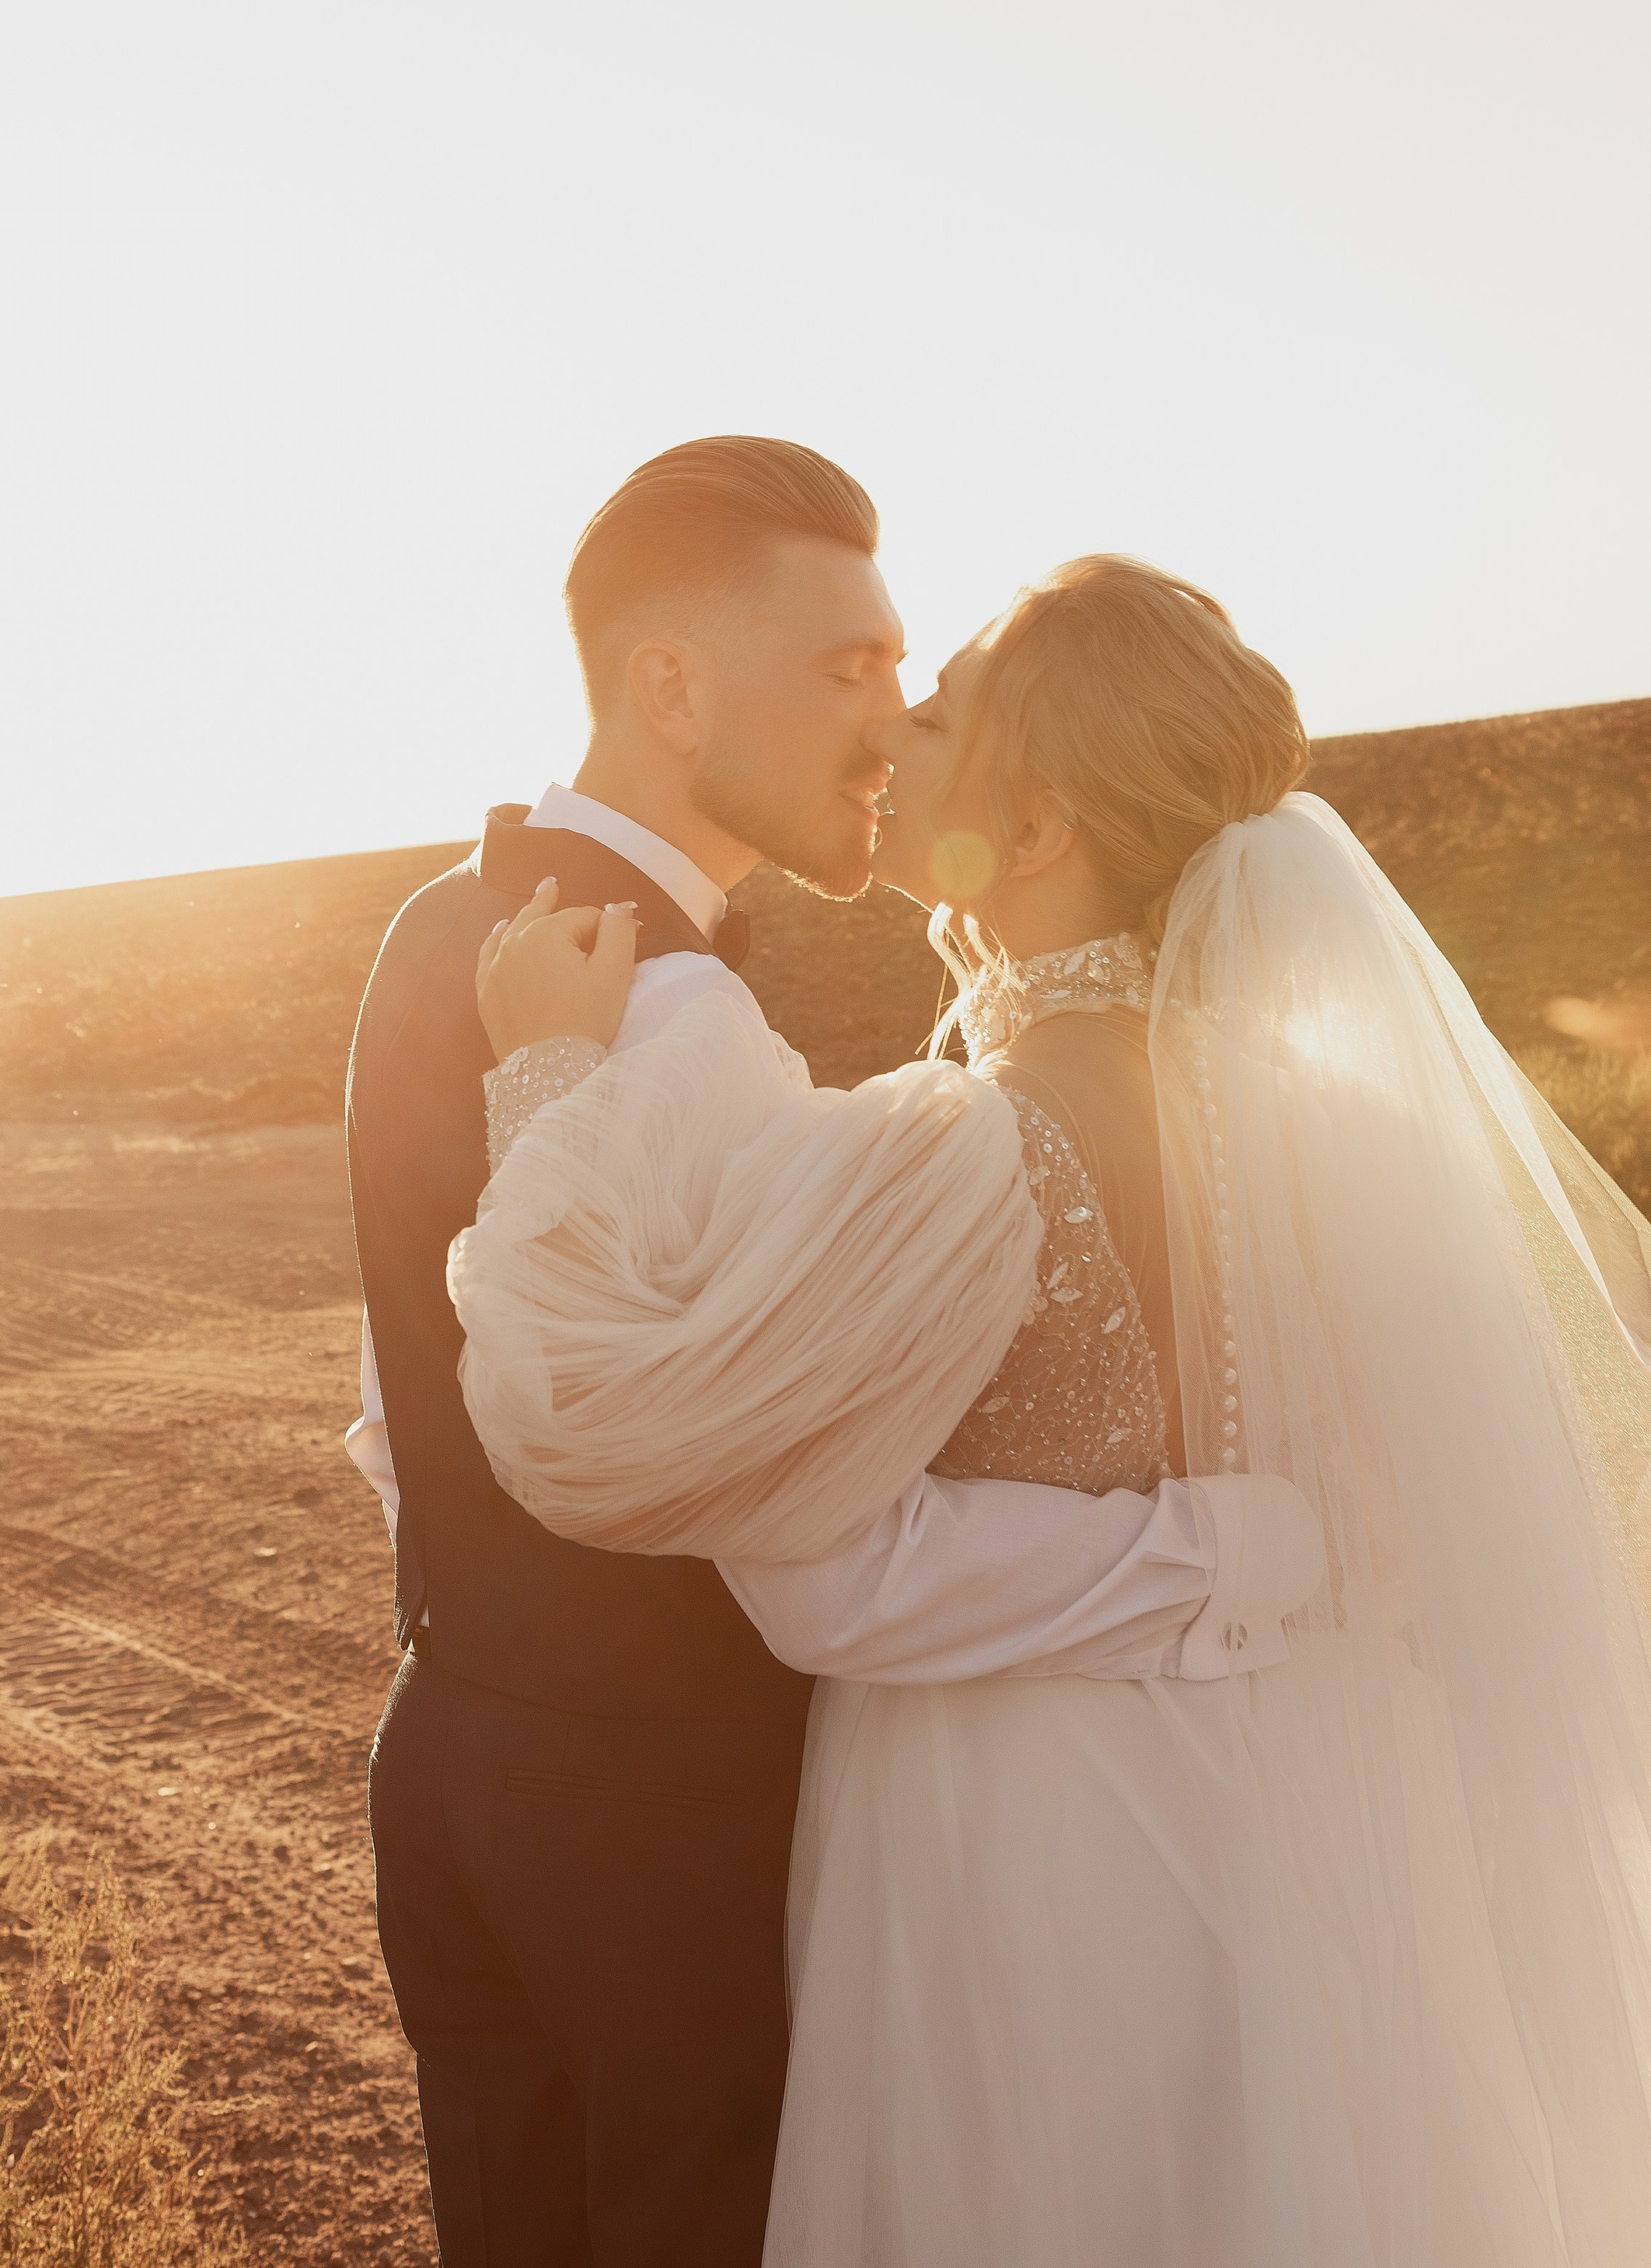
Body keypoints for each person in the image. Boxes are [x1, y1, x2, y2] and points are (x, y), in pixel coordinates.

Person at [457, 553, 1651, 2266]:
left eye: (935, 710)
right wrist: (1262, 1552)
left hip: (1031, 1859)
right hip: (1316, 1857)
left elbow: (747, 1526)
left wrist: (548, 1076)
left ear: (1029, 836)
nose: (888, 737)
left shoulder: (964, 1147)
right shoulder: (1347, 1135)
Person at [346, 448, 1318, 2268]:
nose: (884, 723)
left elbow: (398, 1401)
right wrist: (1242, 1554)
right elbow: (653, 1447)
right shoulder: (677, 1011)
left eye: (910, 681)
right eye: (850, 667)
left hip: (459, 1762)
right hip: (664, 1819)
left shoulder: (440, 927)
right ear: (669, 685)